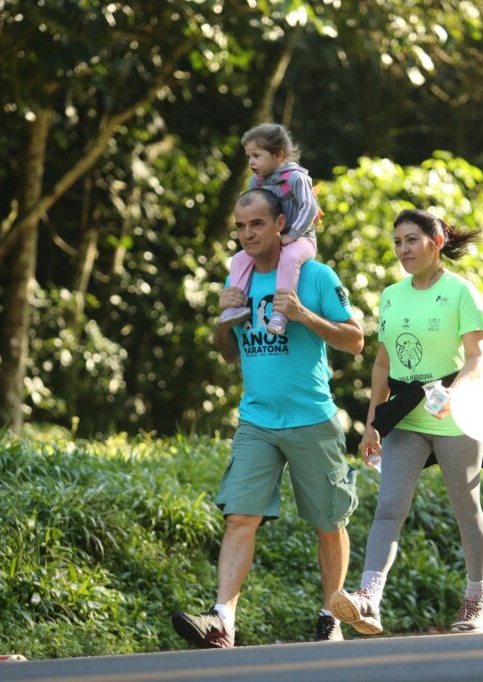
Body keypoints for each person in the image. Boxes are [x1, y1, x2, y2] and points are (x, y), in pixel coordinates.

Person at [172, 189, 364, 648]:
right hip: (256, 419)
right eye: (240, 227)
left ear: (280, 224)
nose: (246, 234)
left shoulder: (315, 275)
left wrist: (303, 314)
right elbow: (228, 355)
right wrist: (224, 319)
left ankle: (330, 613)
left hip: (311, 419)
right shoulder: (236, 275)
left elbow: (355, 339)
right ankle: (222, 620)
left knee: (328, 522)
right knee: (240, 516)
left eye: (256, 224)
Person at [329, 208, 483, 637]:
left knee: (466, 508)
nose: (403, 249)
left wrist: (454, 394)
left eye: (411, 240)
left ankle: (476, 600)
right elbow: (382, 364)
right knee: (389, 508)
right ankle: (369, 599)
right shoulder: (391, 295)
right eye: (397, 242)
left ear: (437, 242)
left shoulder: (461, 292)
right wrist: (373, 423)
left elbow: (477, 358)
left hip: (456, 415)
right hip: (406, 416)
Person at [216, 123, 321, 337]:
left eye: (256, 155)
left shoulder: (295, 177)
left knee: (290, 258)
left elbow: (310, 207)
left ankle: (280, 314)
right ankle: (236, 305)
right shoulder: (256, 181)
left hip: (301, 239)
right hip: (275, 239)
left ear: (278, 154)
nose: (251, 162)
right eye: (248, 157)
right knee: (239, 259)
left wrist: (292, 235)